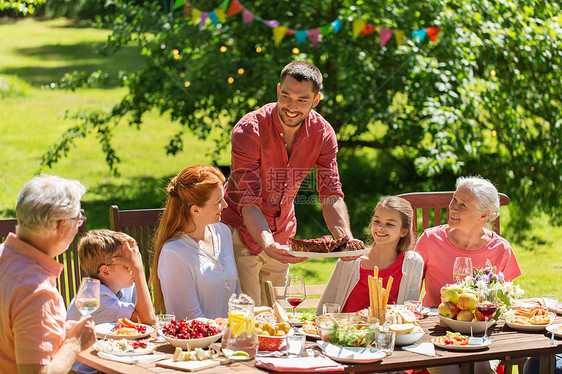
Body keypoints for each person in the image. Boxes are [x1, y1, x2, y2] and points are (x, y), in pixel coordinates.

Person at [222, 60, 355, 306]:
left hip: (282, 230)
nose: (291, 106)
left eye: (302, 100)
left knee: (276, 314)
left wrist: (345, 240)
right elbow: (248, 202)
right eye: (286, 96)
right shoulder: (249, 131)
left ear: (316, 100)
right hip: (238, 229)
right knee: (247, 315)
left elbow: (331, 193)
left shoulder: (323, 134)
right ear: (277, 91)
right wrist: (267, 244)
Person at [415, 176, 522, 374]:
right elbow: (411, 296)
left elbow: (507, 304)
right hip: (435, 330)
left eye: (463, 204)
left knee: (481, 368)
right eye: (454, 199)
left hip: (481, 334)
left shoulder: (500, 249)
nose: (453, 207)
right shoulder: (430, 240)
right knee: (449, 370)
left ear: (484, 215)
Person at [0, 175, 96, 374]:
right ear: (61, 226)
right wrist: (74, 343)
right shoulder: (37, 292)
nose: (79, 225)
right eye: (78, 219)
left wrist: (58, 333)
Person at [150, 165, 241, 319]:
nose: (225, 206)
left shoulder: (222, 232)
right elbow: (190, 319)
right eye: (218, 201)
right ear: (195, 210)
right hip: (199, 341)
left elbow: (237, 296)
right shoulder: (174, 253)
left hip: (231, 337)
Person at [66, 229, 156, 373]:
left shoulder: (124, 285)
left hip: (109, 361)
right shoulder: (97, 299)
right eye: (129, 265)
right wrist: (138, 270)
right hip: (84, 371)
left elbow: (140, 327)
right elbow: (147, 320)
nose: (134, 268)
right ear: (106, 271)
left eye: (135, 263)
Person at [316, 196, 423, 314]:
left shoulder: (413, 263)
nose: (380, 228)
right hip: (347, 330)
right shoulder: (350, 260)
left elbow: (410, 312)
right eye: (376, 221)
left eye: (389, 224)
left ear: (403, 231)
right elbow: (324, 308)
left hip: (388, 331)